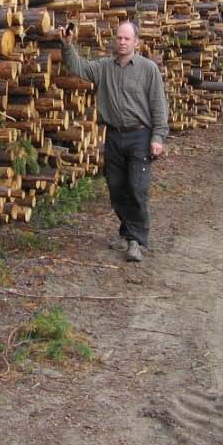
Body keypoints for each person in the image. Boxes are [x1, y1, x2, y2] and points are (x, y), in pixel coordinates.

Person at [61, 19, 169, 267]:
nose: (122, 42)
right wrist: (67, 45)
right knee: (117, 188)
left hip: (140, 136)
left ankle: (136, 241)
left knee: (137, 188)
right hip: (114, 135)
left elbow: (159, 106)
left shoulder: (147, 69)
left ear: (136, 42)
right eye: (119, 38)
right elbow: (78, 67)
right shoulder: (103, 67)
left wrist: (158, 137)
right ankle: (126, 233)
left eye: (127, 39)